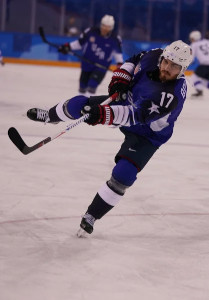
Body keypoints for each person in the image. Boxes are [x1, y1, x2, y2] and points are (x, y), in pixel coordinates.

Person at [26, 40, 193, 237]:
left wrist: (101, 115)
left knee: (124, 174)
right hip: (128, 101)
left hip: (148, 133)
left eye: (174, 66)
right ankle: (50, 116)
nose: (166, 68)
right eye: (166, 62)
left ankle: (91, 216)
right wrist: (121, 78)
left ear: (182, 70)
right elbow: (133, 60)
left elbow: (134, 116)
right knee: (80, 104)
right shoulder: (154, 55)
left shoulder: (170, 95)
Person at [58, 14, 123, 97]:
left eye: (108, 27)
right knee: (82, 88)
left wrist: (120, 67)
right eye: (103, 26)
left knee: (91, 87)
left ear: (111, 28)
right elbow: (79, 43)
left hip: (101, 67)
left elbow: (118, 54)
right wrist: (67, 46)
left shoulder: (115, 39)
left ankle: (87, 108)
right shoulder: (90, 32)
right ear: (101, 24)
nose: (105, 29)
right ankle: (78, 106)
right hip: (86, 64)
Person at [189, 30, 209, 99]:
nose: (191, 40)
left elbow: (191, 58)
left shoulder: (194, 45)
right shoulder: (206, 41)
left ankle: (199, 92)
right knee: (204, 81)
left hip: (206, 63)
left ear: (194, 38)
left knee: (194, 78)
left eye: (192, 38)